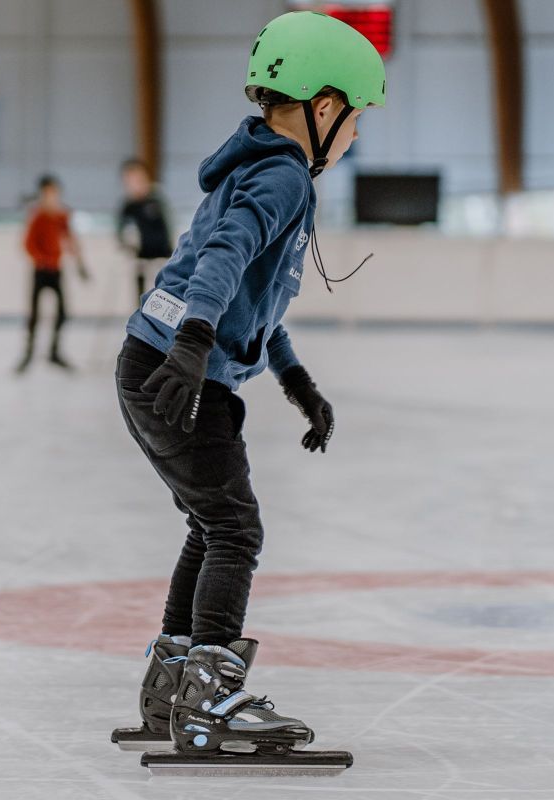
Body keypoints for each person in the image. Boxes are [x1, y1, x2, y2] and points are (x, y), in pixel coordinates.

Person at [108, 10, 381, 773]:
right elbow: (223, 258)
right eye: (356, 119)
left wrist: (294, 379)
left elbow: (250, 297)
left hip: (150, 359)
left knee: (209, 523)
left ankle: (169, 692)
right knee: (234, 530)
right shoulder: (284, 174)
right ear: (323, 109)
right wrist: (194, 346)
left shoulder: (251, 168)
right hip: (178, 367)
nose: (356, 135)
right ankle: (209, 702)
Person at [17, 175, 89, 372]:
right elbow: (28, 244)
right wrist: (41, 259)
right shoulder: (38, 215)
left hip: (56, 270)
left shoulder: (61, 216)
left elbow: (70, 239)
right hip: (41, 271)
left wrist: (81, 265)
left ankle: (54, 352)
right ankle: (29, 353)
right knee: (34, 314)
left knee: (63, 312)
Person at [116, 158, 174, 304]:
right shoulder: (128, 205)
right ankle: (140, 314)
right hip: (140, 255)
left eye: (137, 179)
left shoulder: (157, 199)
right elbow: (120, 229)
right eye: (129, 181)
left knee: (164, 290)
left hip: (163, 254)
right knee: (140, 290)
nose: (134, 184)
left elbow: (169, 224)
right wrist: (125, 242)